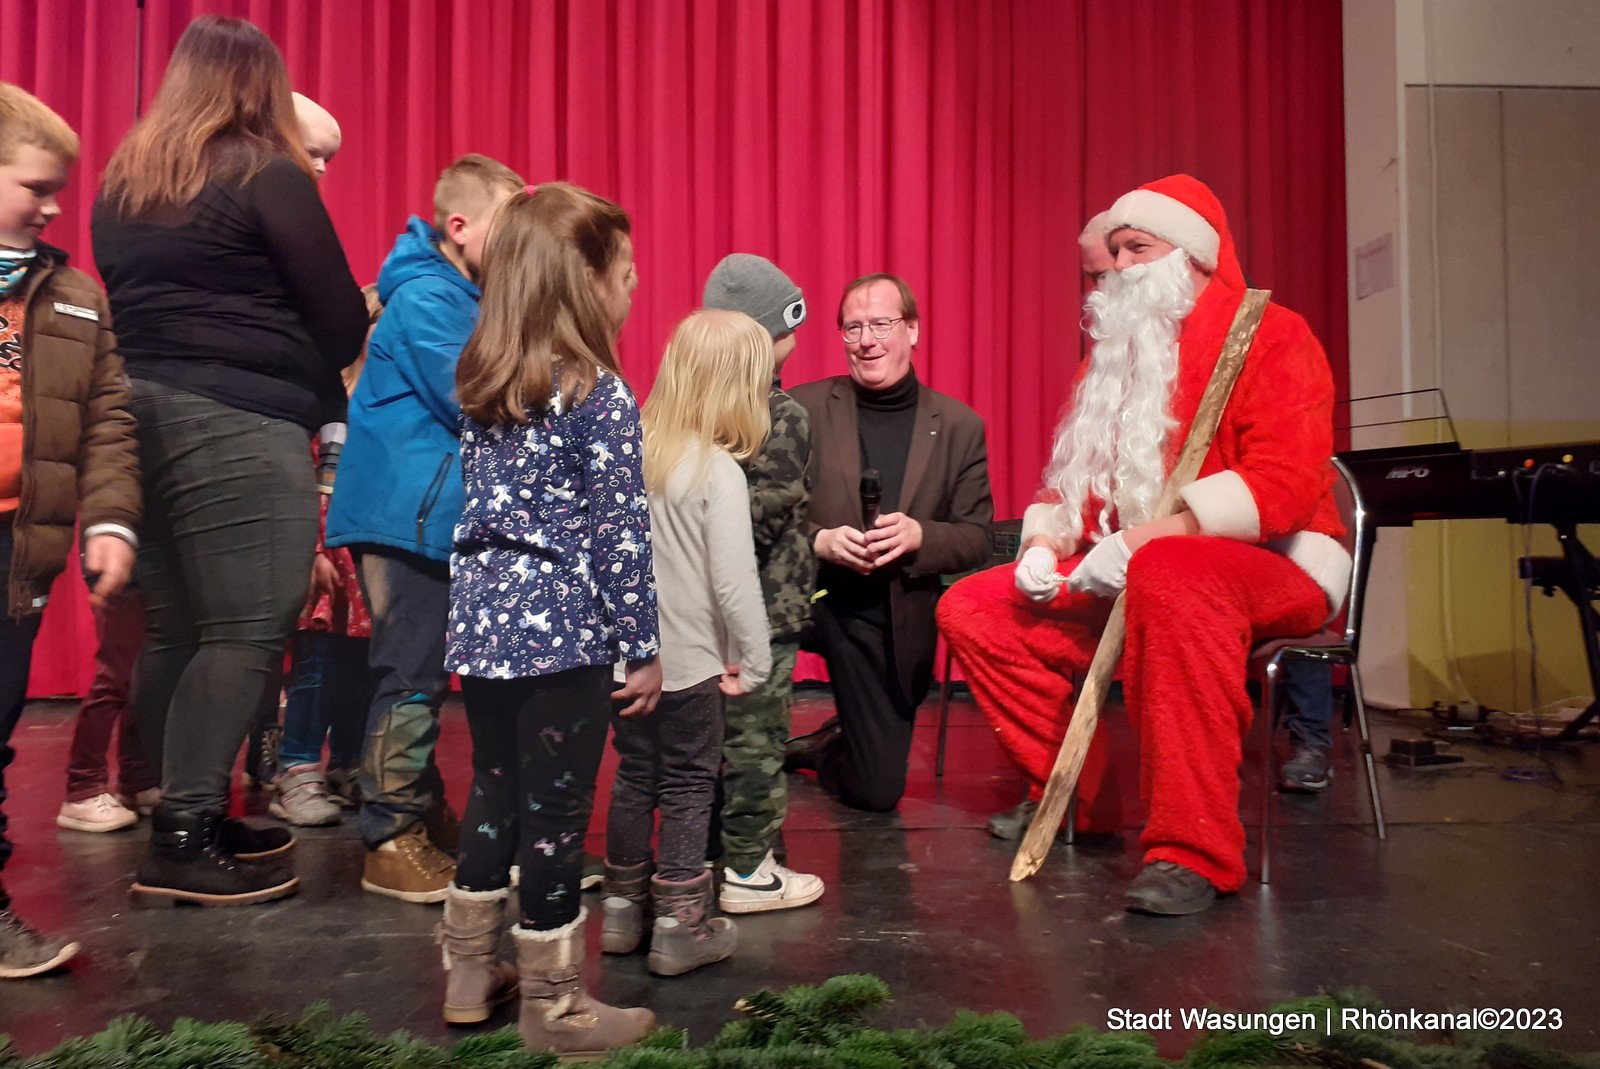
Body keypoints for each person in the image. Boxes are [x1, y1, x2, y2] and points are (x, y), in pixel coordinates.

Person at [938, 175, 1349, 916]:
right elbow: (1072, 486)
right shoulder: (1115, 359)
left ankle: (1193, 849)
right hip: (1148, 568)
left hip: (1277, 562)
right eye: (1114, 253)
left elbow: (1285, 487)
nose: (1118, 266)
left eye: (1138, 249)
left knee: (1172, 572)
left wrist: (1153, 539)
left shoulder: (1273, 333)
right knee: (975, 604)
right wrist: (1041, 544)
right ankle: (1075, 797)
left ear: (1190, 258)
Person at [92, 14, 368, 907]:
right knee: (250, 623)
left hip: (141, 412)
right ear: (261, 87)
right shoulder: (264, 172)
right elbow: (339, 317)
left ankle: (185, 812)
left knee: (177, 628)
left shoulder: (125, 182)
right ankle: (183, 835)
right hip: (239, 417)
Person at [441, 182, 658, 1054]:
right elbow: (621, 530)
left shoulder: (485, 386)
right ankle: (554, 1004)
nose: (636, 287)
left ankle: (467, 972)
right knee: (561, 814)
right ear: (585, 282)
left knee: (494, 787)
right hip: (563, 634)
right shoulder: (598, 394)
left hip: (485, 631)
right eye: (628, 271)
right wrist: (640, 647)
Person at [326, 154, 523, 901]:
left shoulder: (454, 292)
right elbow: (473, 395)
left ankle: (419, 810)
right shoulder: (427, 299)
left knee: (421, 669)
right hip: (407, 518)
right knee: (408, 673)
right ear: (460, 225)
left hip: (427, 514)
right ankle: (390, 836)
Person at [0, 81, 140, 974]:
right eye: (36, 186)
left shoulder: (79, 296)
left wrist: (115, 519)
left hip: (19, 549)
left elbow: (109, 420)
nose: (55, 206)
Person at [599, 309, 771, 976]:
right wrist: (752, 659)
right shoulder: (717, 472)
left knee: (635, 775)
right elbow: (733, 582)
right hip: (693, 667)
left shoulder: (630, 455)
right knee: (692, 782)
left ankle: (620, 912)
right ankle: (679, 922)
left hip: (624, 664)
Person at [785, 273, 993, 812]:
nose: (868, 340)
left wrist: (921, 536)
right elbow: (760, 512)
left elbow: (976, 538)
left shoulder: (959, 426)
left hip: (889, 616)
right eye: (853, 328)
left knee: (877, 792)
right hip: (808, 599)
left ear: (913, 330)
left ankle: (830, 744)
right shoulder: (799, 409)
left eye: (882, 324)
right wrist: (820, 541)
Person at [700, 254, 825, 912]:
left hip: (696, 612)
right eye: (783, 335)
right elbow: (759, 519)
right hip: (759, 614)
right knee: (755, 741)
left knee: (704, 743)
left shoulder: (684, 408)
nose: (790, 348)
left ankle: (703, 858)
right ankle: (750, 868)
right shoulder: (782, 414)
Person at [272, 284, 383, 826]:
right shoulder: (320, 395)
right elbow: (300, 476)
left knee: (358, 665)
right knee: (314, 663)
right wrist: (311, 547)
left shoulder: (390, 399)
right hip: (321, 544)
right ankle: (295, 768)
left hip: (367, 548)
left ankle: (346, 763)